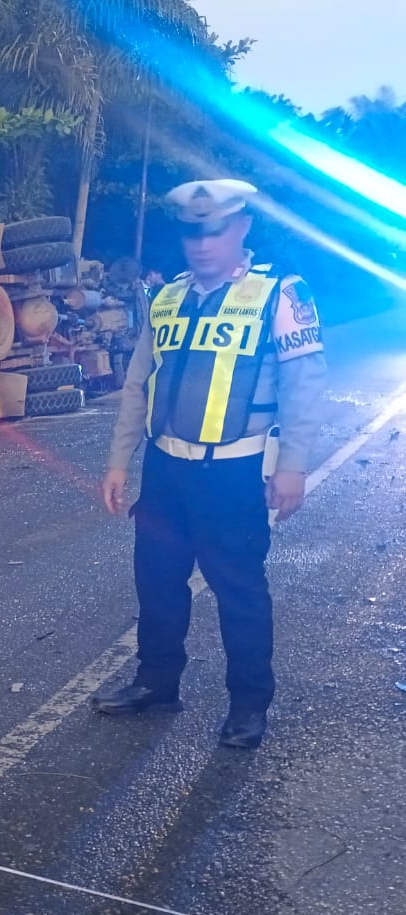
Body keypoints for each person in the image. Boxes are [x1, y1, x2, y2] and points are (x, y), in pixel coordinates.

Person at [96, 178, 326, 750]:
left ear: (242, 227)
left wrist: (293, 465)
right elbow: (136, 386)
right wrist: (119, 461)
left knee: (240, 590)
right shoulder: (167, 297)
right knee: (157, 584)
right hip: (166, 470)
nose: (201, 243)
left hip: (235, 471)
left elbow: (304, 385)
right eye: (192, 231)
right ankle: (157, 683)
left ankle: (249, 705)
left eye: (215, 229)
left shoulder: (280, 294)